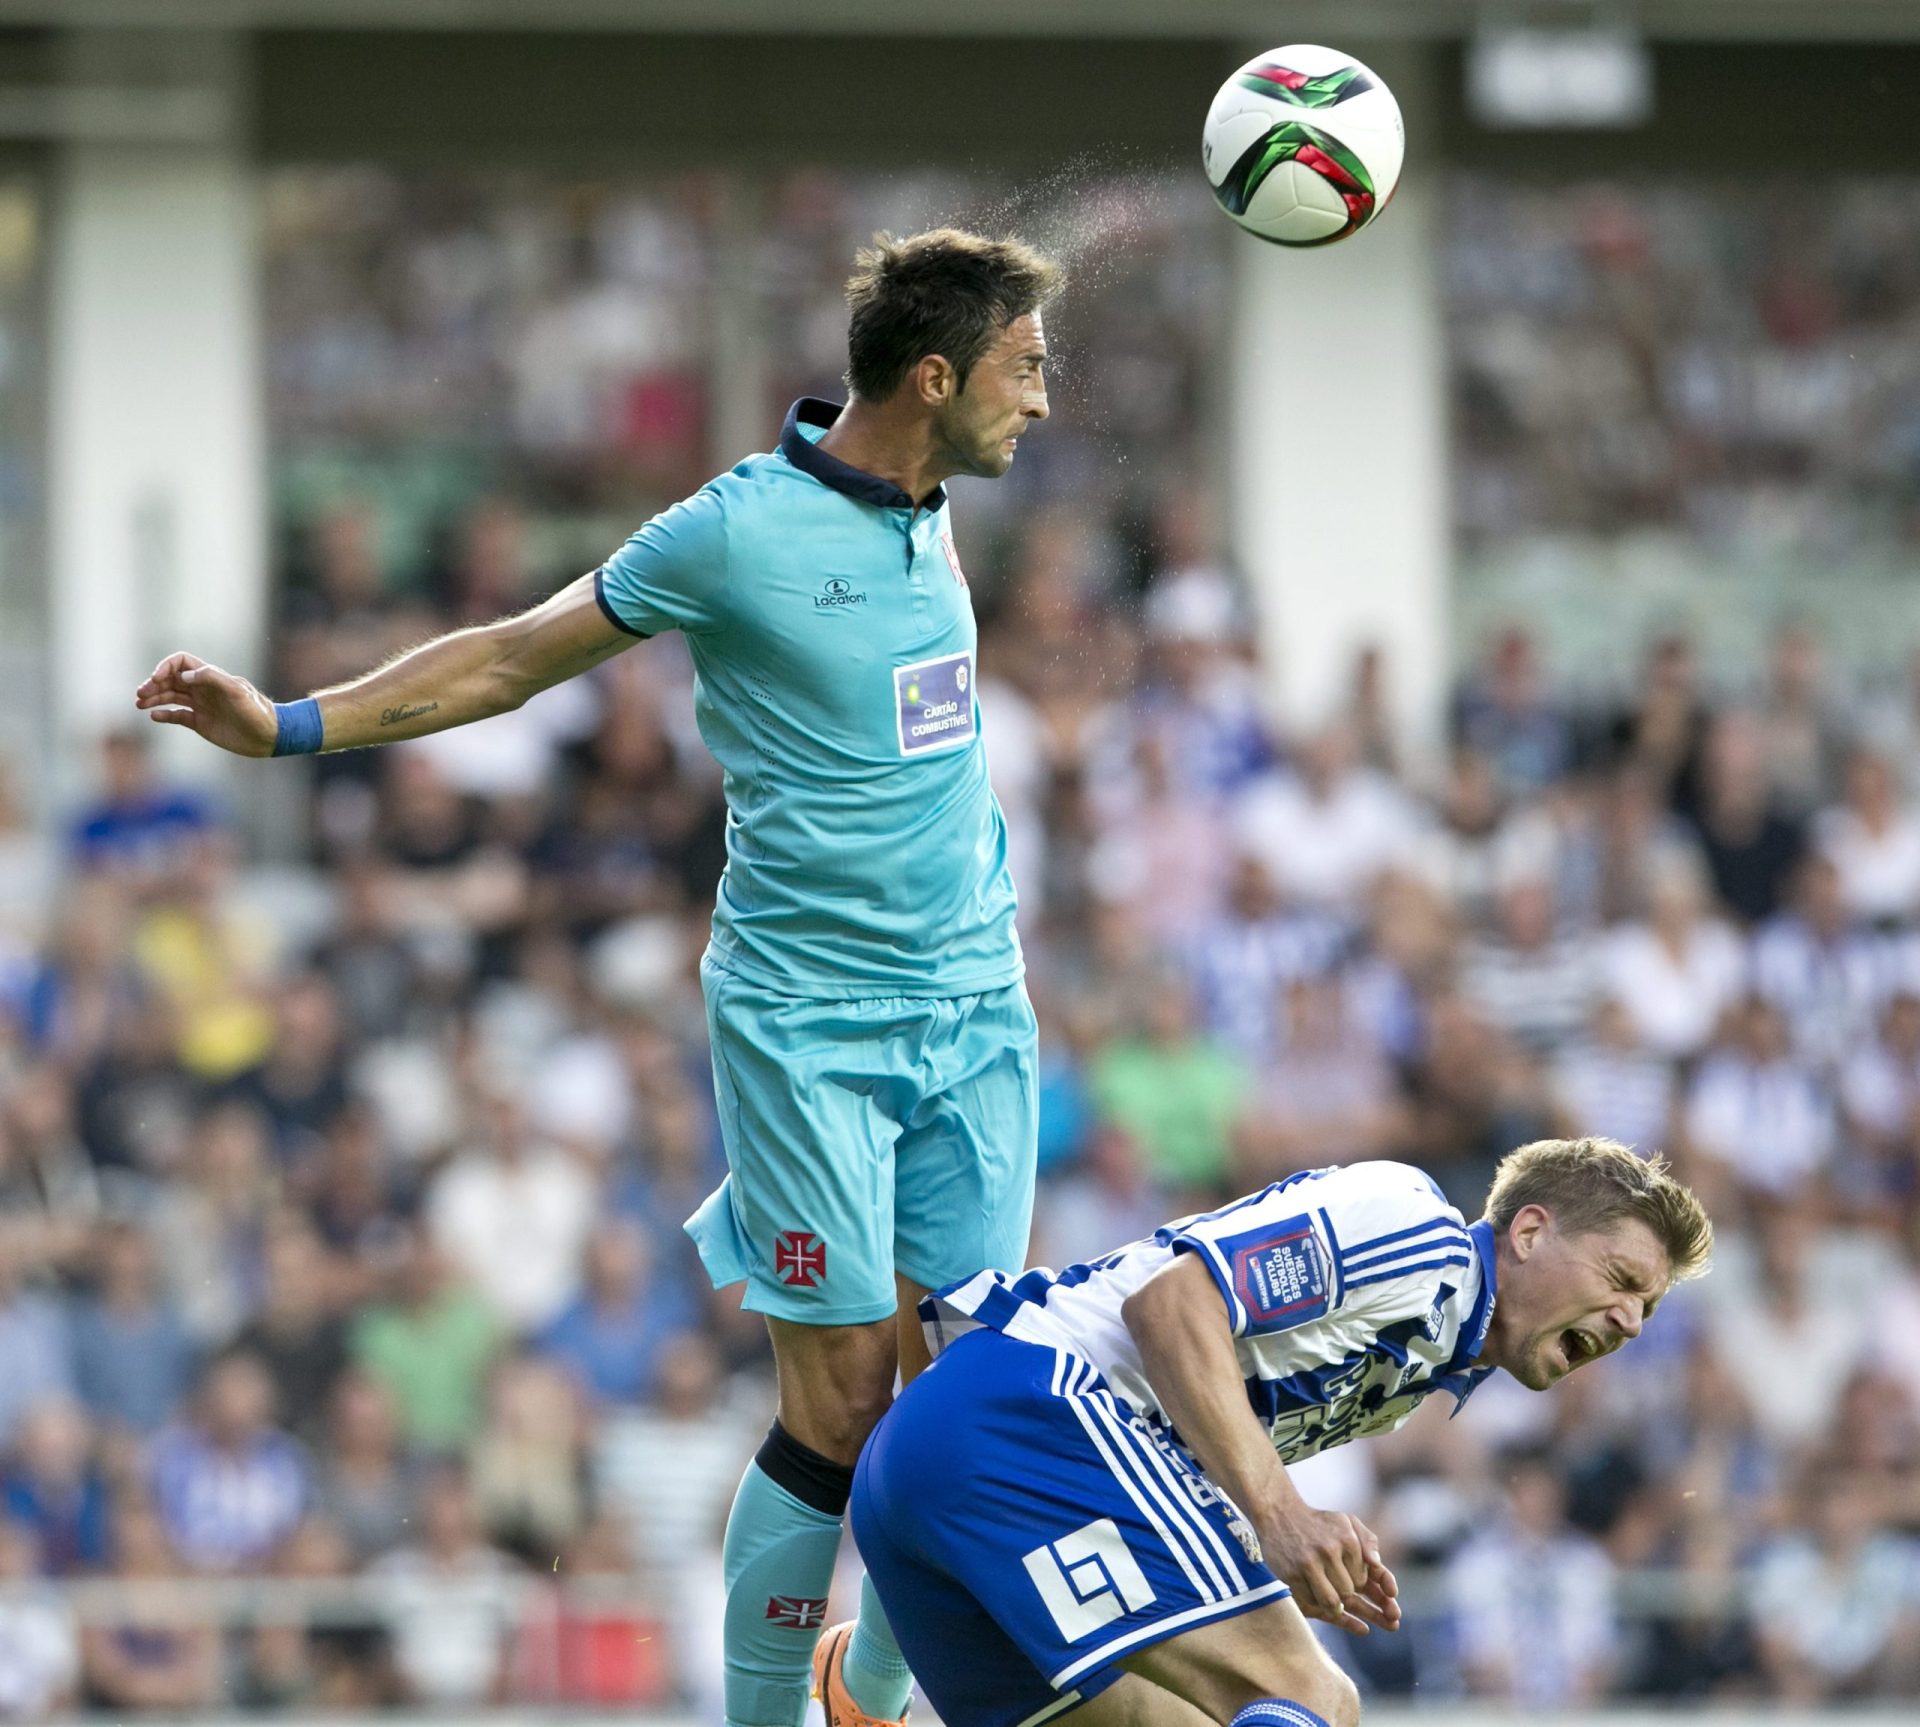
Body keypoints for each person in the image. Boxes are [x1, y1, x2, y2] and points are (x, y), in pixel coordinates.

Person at [132, 226, 1060, 1727]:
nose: (1044, 396)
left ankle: (871, 1697)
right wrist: (289, 727)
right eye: (1025, 366)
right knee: (838, 1407)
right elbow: (509, 656)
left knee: (965, 1398)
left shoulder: (933, 509)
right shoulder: (735, 531)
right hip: (810, 1025)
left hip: (978, 1008)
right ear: (936, 375)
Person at [850, 1138, 1712, 1727]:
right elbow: (1175, 1303)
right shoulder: (1417, 1232)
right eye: (1622, 1276)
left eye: (1649, 1304)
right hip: (1027, 1410)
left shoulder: (1425, 1360)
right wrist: (1279, 1516)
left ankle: (851, 1687)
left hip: (930, 1474)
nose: (1633, 1322)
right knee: (1313, 1698)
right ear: (1528, 1230)